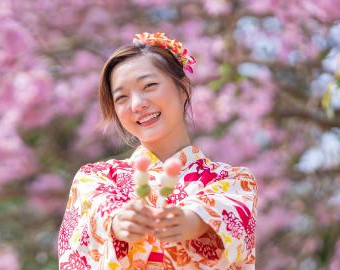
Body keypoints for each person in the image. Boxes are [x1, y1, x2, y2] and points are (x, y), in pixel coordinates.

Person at [58, 32, 258, 269]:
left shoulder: (234, 181)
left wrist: (193, 221)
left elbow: (229, 217)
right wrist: (117, 223)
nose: (137, 104)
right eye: (122, 97)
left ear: (183, 88)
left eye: (150, 85)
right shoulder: (94, 178)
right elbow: (87, 227)